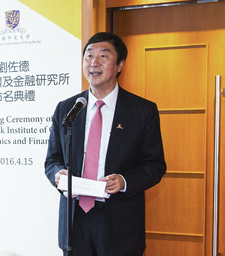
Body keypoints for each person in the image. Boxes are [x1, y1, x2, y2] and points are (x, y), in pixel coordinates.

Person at [45, 32, 167, 256]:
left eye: (103, 56)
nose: (94, 62)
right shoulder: (68, 108)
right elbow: (52, 160)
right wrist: (57, 174)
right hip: (74, 221)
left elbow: (155, 166)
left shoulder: (142, 111)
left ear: (120, 64)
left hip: (119, 223)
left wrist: (123, 180)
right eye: (89, 56)